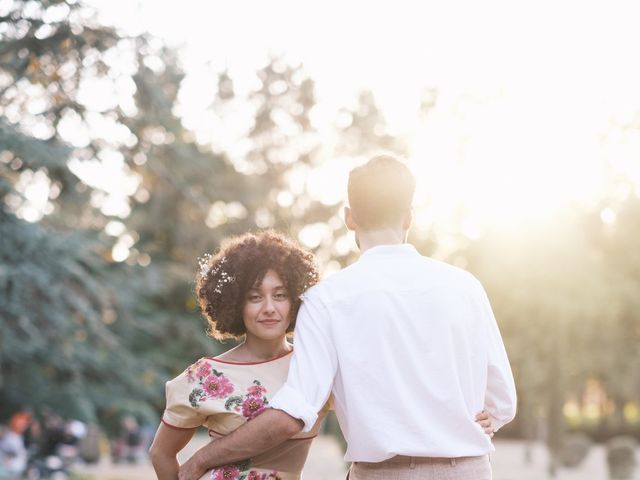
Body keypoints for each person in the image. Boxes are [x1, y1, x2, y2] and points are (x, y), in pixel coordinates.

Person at [178, 155, 516, 480]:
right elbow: (502, 402)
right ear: (408, 217)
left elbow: (294, 411)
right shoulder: (465, 286)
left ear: (349, 217)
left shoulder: (326, 300)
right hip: (468, 470)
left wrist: (199, 462)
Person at [149, 231, 328, 480]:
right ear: (236, 304)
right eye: (255, 297)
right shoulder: (206, 375)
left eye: (280, 295)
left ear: (295, 300)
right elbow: (161, 452)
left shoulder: (316, 366)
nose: (269, 308)